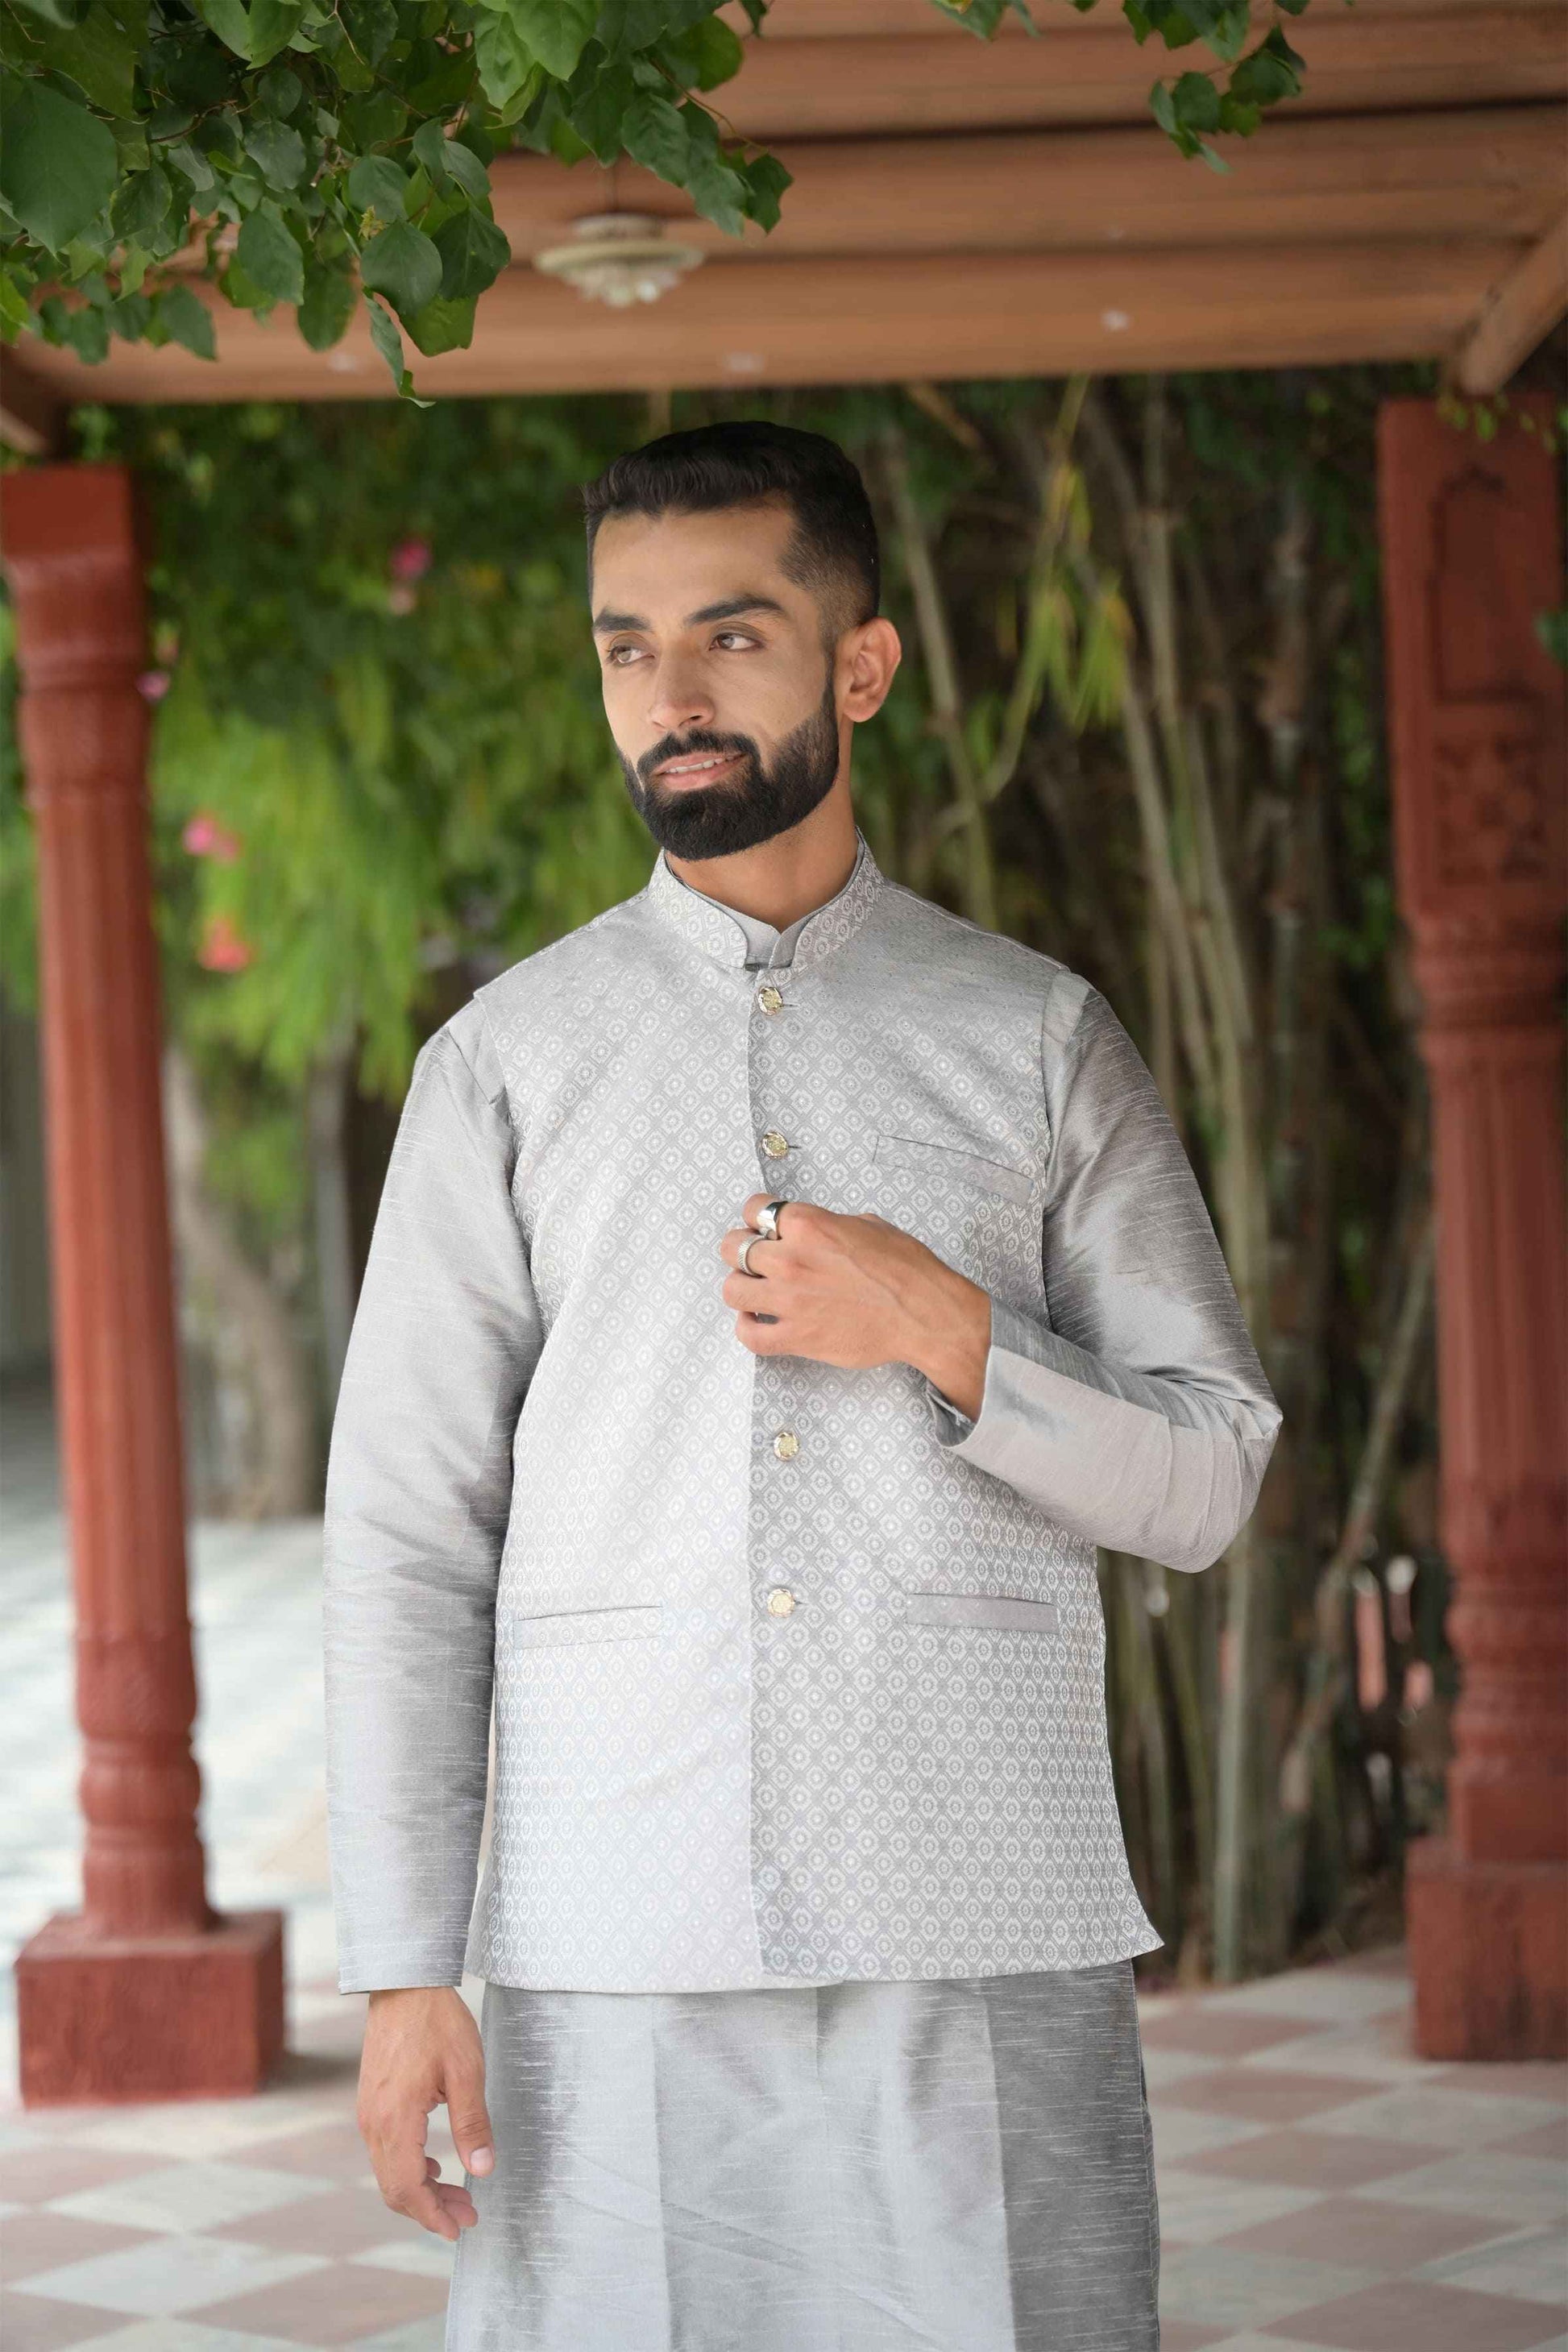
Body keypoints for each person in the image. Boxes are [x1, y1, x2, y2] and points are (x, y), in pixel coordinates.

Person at [322, 420, 1282, 2352]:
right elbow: (410, 1529)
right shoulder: (503, 1064)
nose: (669, 693)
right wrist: (406, 1967)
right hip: (614, 1920)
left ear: (861, 664)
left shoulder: (1032, 1037)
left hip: (981, 1903)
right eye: (626, 646)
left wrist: (947, 1328)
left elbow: (1210, 1473)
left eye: (731, 635)